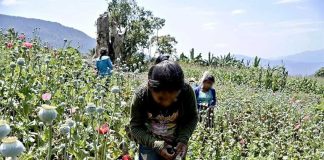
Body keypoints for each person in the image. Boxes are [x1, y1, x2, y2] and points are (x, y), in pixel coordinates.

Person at [129, 55, 198, 160]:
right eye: (160, 98)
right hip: (148, 143)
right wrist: (156, 144)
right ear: (150, 87)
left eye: (174, 98)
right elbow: (135, 127)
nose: (166, 104)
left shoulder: (186, 92)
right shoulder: (141, 95)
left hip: (176, 144)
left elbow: (192, 117)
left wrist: (183, 140)